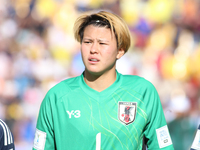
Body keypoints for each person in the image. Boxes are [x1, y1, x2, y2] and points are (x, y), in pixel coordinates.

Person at [33, 10, 174, 150]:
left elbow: (163, 147)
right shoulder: (57, 96)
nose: (93, 49)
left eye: (102, 43)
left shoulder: (142, 92)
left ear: (120, 50)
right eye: (87, 42)